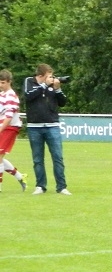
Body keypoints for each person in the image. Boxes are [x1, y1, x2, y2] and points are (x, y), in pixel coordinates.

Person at [23, 64, 70, 195]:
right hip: (34, 127)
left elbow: (63, 103)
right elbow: (28, 96)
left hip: (52, 125)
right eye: (49, 76)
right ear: (40, 75)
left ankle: (61, 187)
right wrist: (44, 85)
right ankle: (40, 186)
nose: (51, 78)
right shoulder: (29, 81)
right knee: (38, 159)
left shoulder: (52, 86)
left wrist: (58, 89)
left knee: (58, 157)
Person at [0, 70, 27, 191]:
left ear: (9, 82)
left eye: (3, 82)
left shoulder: (11, 96)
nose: (1, 85)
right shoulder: (2, 95)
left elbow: (9, 117)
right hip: (3, 127)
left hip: (10, 128)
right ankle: (20, 176)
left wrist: (0, 129)